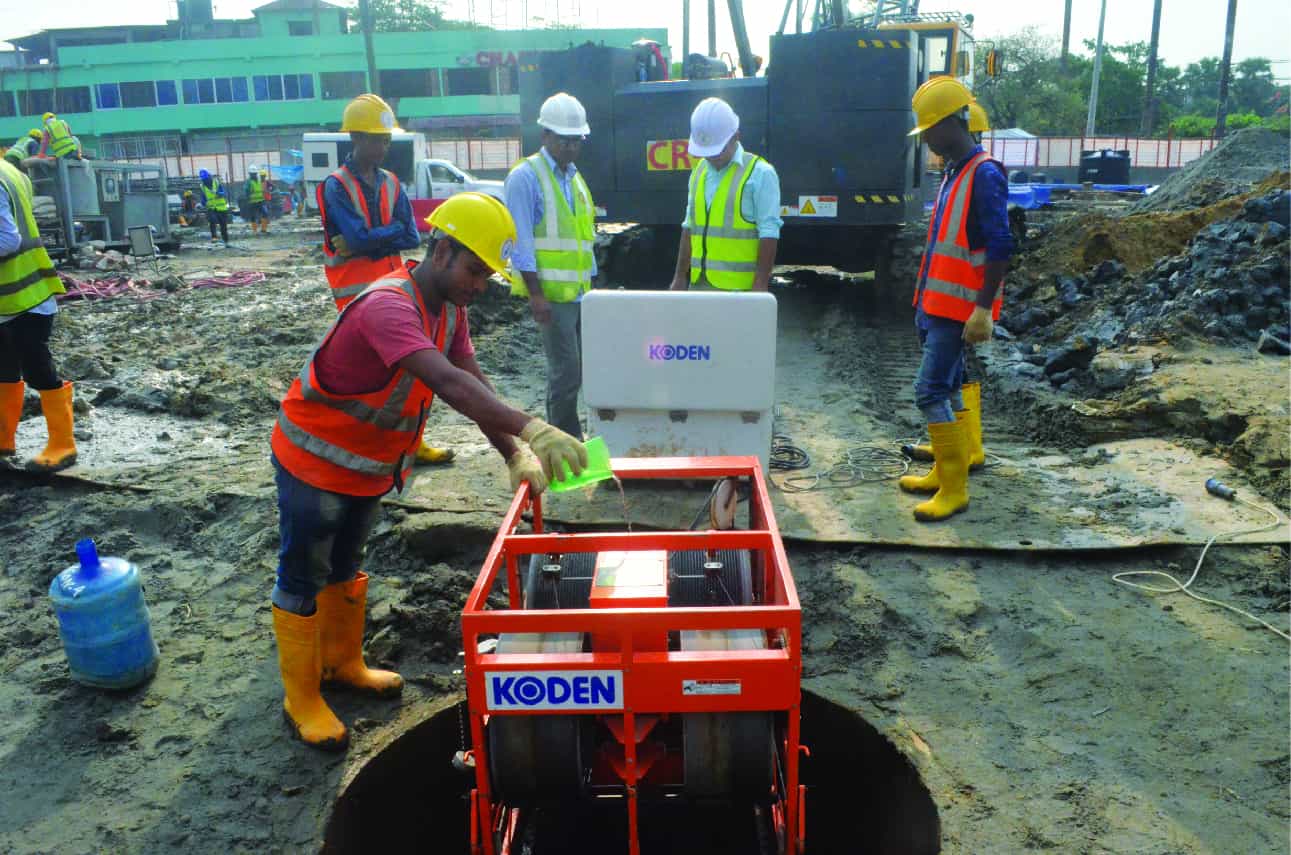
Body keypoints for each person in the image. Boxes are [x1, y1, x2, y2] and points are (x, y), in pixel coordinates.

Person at [268, 192, 587, 751]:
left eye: (487, 274)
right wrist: (534, 428)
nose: (479, 285)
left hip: (367, 468)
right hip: (314, 461)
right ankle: (302, 697)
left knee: (346, 562)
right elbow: (447, 383)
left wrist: (511, 450)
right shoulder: (388, 306)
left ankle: (344, 664)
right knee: (304, 571)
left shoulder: (450, 312)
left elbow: (472, 377)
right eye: (473, 269)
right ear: (441, 251)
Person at [317, 93, 454, 465]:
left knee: (410, 368)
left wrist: (369, 239)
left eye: (386, 139)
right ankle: (366, 441)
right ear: (356, 138)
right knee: (368, 372)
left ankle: (410, 441)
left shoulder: (391, 182)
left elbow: (411, 235)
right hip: (356, 293)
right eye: (377, 139)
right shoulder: (336, 185)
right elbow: (373, 235)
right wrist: (383, 234)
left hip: (393, 287)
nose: (383, 146)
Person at [898, 77, 1012, 522]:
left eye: (929, 130)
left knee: (928, 390)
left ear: (949, 123)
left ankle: (954, 488)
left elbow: (1001, 245)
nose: (925, 139)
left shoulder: (983, 173)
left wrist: (982, 309)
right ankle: (953, 468)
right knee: (947, 385)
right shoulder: (954, 171)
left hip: (958, 306)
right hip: (937, 302)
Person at [503, 91, 597, 440]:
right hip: (552, 296)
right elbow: (521, 242)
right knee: (566, 373)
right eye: (564, 140)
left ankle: (564, 439)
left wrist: (594, 286)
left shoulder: (574, 178)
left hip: (580, 295)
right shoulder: (526, 177)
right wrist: (536, 295)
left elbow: (584, 237)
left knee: (579, 370)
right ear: (545, 136)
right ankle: (566, 443)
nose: (571, 148)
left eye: (577, 141)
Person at [0, 157, 75, 473]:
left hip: (24, 295)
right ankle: (3, 441)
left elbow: (7, 239)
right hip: (17, 294)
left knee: (36, 366)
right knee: (3, 368)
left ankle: (63, 444)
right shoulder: (9, 170)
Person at [670, 97, 781, 293]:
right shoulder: (698, 173)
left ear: (736, 136)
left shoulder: (760, 174)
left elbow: (769, 232)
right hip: (699, 286)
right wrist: (679, 277)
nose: (711, 158)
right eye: (706, 152)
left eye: (718, 151)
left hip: (739, 291)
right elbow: (689, 227)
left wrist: (760, 287)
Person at [199, 169, 230, 246]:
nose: (205, 181)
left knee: (223, 225)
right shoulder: (202, 186)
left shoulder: (216, 182)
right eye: (203, 179)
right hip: (211, 208)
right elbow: (203, 197)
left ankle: (225, 240)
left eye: (206, 178)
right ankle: (214, 237)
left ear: (209, 176)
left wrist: (217, 193)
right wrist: (202, 203)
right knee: (212, 220)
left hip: (221, 207)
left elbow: (223, 193)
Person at [245, 167, 269, 235]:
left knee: (265, 213)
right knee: (253, 216)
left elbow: (262, 189)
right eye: (252, 174)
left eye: (255, 173)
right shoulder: (248, 182)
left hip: (260, 201)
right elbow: (246, 191)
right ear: (250, 174)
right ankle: (255, 231)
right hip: (252, 202)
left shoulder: (259, 180)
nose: (254, 175)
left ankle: (263, 230)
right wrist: (248, 197)